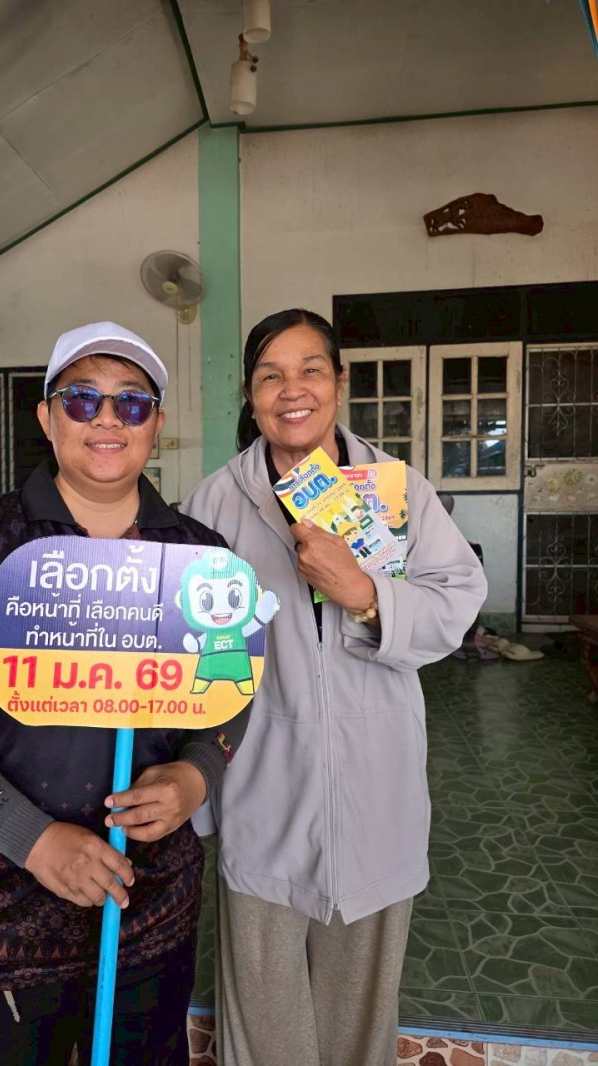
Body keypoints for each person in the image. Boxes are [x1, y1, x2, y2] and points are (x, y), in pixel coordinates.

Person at [0, 322, 250, 1066]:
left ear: (156, 425)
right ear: (47, 418)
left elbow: (231, 687)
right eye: (82, 399)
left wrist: (198, 770)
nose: (107, 418)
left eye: (132, 403)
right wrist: (31, 838)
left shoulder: (202, 558)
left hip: (150, 916)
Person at [181, 308, 487, 1066]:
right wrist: (200, 793)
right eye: (270, 376)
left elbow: (458, 601)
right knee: (262, 1020)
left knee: (359, 1021)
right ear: (250, 395)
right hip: (261, 789)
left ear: (340, 382)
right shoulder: (214, 503)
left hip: (374, 786)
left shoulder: (398, 491)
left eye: (311, 370)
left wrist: (367, 595)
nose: (293, 390)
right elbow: (191, 656)